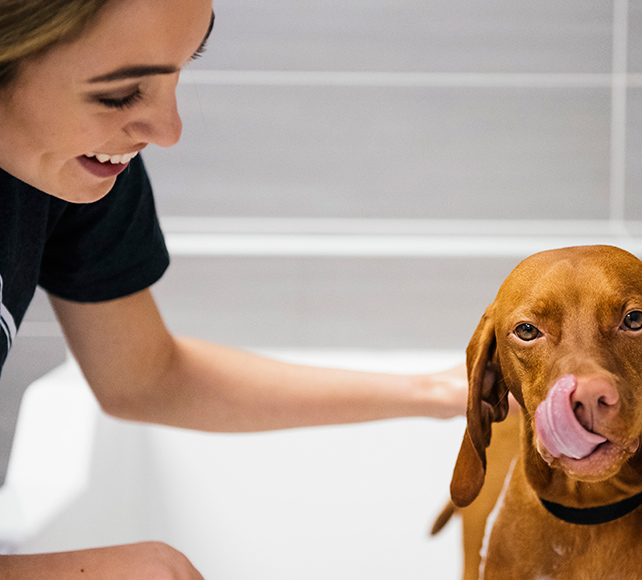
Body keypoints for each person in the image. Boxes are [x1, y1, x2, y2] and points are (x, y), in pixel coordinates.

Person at [0, 0, 468, 577]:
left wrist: (439, 393)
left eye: (179, 69)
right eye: (119, 96)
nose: (169, 131)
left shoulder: (73, 170)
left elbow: (143, 377)